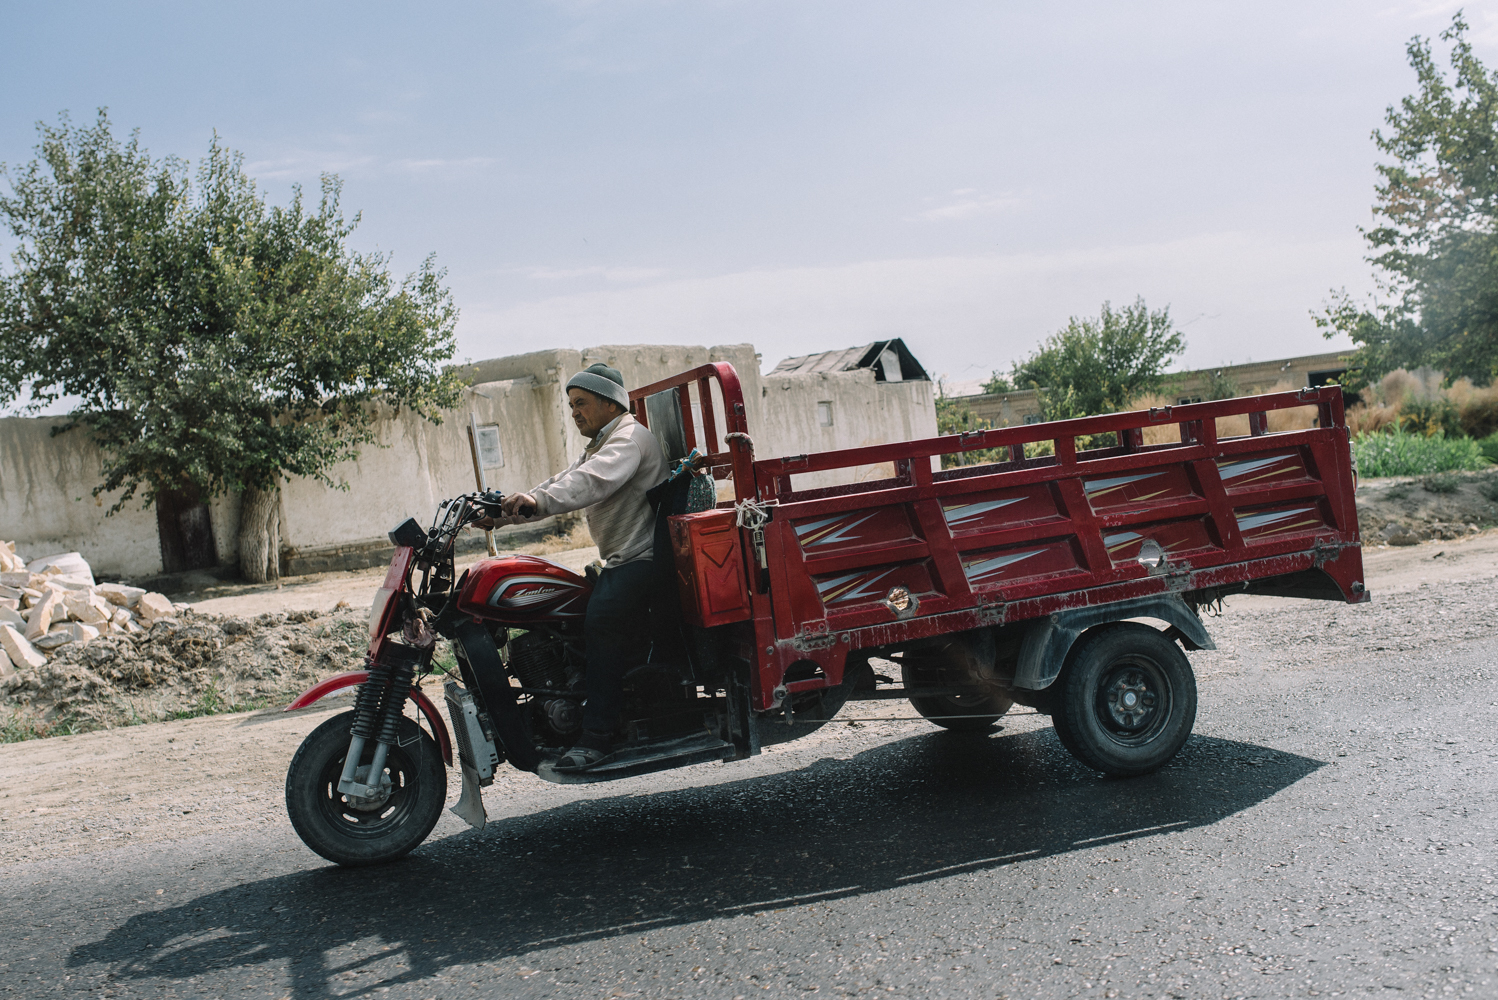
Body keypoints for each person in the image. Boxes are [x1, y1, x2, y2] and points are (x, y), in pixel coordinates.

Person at [488, 363, 667, 770]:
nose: (575, 413)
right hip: (622, 560)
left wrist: (538, 503)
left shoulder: (629, 438)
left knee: (601, 619)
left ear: (610, 403)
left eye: (582, 403)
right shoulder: (601, 443)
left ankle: (597, 737)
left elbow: (592, 481)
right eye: (571, 405)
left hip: (642, 560)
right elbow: (562, 479)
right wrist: (501, 514)